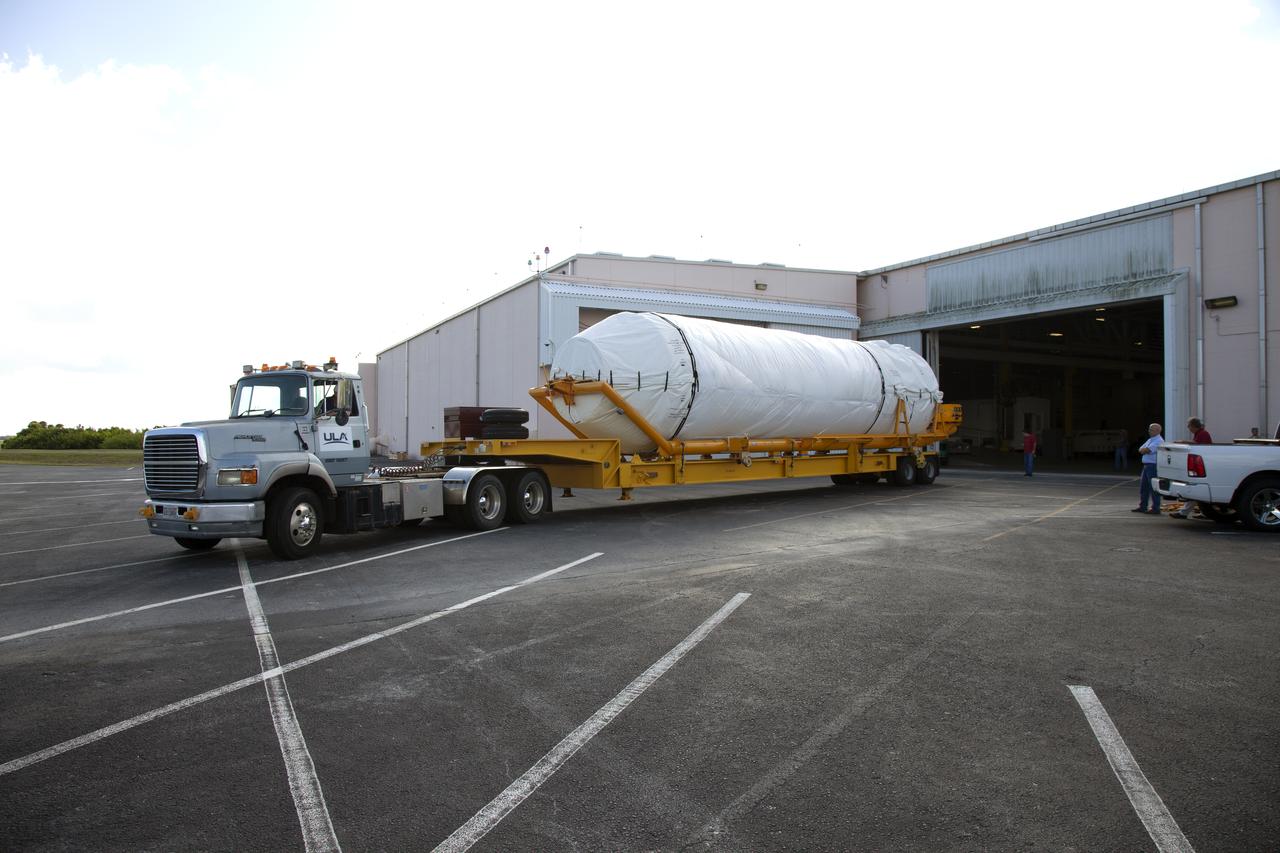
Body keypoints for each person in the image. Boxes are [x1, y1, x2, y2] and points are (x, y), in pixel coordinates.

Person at [1173, 418, 1213, 519]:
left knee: (1194, 490)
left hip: (1202, 466)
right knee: (1201, 491)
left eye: (1189, 425)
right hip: (1202, 465)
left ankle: (1183, 513)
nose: (1188, 428)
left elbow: (1199, 445)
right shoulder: (1200, 433)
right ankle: (1204, 513)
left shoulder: (1203, 434)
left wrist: (1183, 442)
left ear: (1194, 425)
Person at [1132, 423, 1164, 514]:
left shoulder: (1159, 441)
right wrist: (1144, 450)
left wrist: (1144, 450)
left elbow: (1147, 450)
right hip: (1147, 466)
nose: (1149, 431)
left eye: (1151, 429)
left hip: (1152, 466)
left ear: (1158, 431)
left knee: (1153, 488)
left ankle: (1155, 508)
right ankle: (1143, 506)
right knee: (1144, 487)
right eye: (1149, 429)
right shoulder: (1150, 439)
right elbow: (1140, 449)